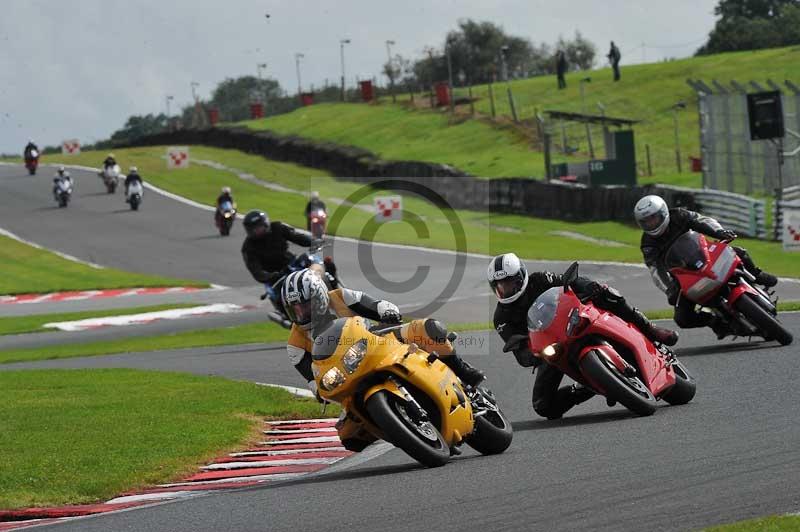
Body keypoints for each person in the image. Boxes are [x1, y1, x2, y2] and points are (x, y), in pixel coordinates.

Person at [281, 268, 485, 450]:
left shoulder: (341, 296)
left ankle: (461, 370)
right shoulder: (295, 344)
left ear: (319, 296)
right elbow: (312, 379)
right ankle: (404, 432)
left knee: (428, 328)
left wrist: (385, 311)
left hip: (378, 342)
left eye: (305, 305)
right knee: (349, 437)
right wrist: (319, 390)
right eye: (295, 309)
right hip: (347, 373)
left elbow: (374, 305)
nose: (301, 313)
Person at [488, 252, 677, 420]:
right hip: (553, 347)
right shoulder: (501, 318)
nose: (506, 289)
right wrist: (532, 355)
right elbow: (519, 352)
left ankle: (650, 329)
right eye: (500, 285)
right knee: (543, 406)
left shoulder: (540, 279)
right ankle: (585, 389)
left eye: (510, 282)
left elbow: (569, 283)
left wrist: (589, 287)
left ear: (521, 277)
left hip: (574, 320)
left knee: (607, 294)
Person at [634, 195, 778, 336]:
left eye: (653, 218)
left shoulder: (679, 215)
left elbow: (701, 221)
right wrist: (669, 289)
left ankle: (757, 275)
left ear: (663, 213)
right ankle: (715, 322)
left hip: (705, 255)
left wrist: (719, 232)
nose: (651, 223)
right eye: (645, 221)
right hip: (683, 276)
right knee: (682, 319)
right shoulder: (648, 243)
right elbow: (655, 270)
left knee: (738, 252)